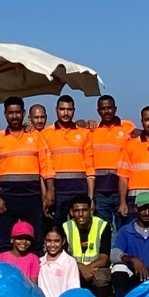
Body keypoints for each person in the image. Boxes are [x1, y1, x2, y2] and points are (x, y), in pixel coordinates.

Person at [0, 97, 54, 255]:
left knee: (36, 240)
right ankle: (4, 270)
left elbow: (46, 165)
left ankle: (34, 269)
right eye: (11, 113)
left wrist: (50, 190)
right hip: (7, 198)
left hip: (32, 197)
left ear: (23, 113)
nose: (14, 116)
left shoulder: (36, 136)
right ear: (5, 114)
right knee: (4, 241)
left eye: (18, 112)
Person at [42, 94, 95, 224]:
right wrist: (47, 194)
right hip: (57, 193)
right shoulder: (45, 134)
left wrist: (91, 197)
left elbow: (90, 167)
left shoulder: (84, 133)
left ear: (74, 110)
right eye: (62, 109)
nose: (65, 113)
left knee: (80, 231)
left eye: (69, 109)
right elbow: (44, 168)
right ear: (56, 110)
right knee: (56, 230)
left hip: (80, 191)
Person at [87, 95, 135, 225]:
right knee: (103, 230)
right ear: (98, 111)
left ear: (115, 109)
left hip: (122, 191)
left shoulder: (128, 127)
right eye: (103, 109)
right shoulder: (92, 130)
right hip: (100, 191)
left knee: (124, 228)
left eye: (109, 108)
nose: (106, 111)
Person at [61, 195, 112, 296]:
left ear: (90, 210)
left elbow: (103, 259)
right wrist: (81, 267)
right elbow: (63, 256)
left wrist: (87, 268)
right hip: (73, 267)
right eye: (76, 211)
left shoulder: (103, 226)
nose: (81, 214)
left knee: (101, 279)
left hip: (97, 268)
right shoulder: (65, 227)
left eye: (84, 210)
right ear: (71, 212)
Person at [37, 226, 81, 297]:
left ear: (63, 241)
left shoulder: (69, 262)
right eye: (49, 241)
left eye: (56, 241)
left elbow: (73, 290)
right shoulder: (40, 262)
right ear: (44, 241)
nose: (52, 245)